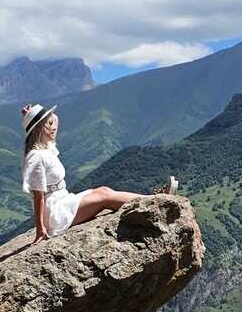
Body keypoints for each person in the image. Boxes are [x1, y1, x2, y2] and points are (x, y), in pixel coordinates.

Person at [21, 103, 178, 243]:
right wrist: (40, 229)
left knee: (103, 190)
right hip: (56, 214)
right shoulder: (36, 157)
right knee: (105, 197)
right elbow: (38, 195)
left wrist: (31, 116)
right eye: (49, 124)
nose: (54, 126)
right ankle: (158, 202)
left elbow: (54, 117)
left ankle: (153, 199)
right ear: (41, 129)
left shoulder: (45, 148)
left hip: (63, 201)